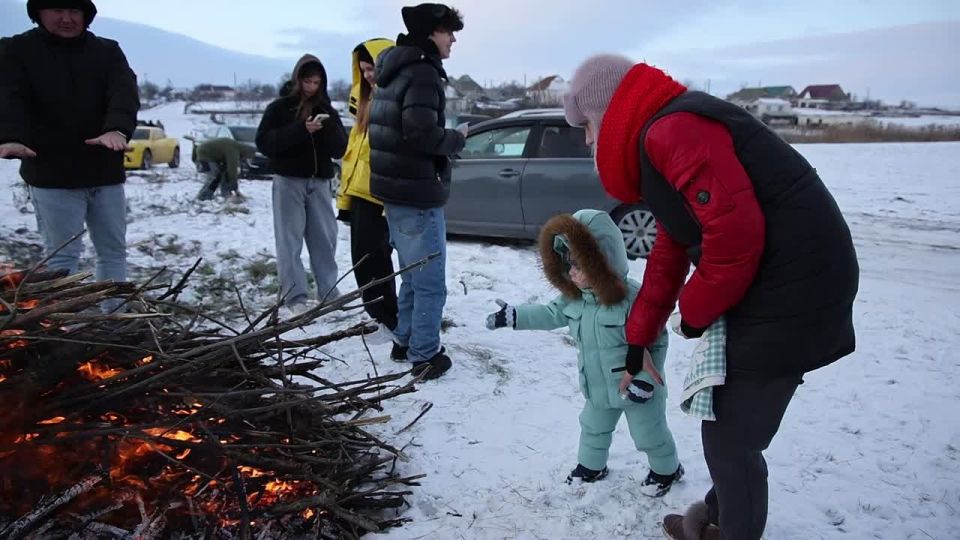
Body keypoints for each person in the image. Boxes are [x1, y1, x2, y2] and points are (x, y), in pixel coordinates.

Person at [562, 55, 860, 540]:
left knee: (729, 438)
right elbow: (673, 244)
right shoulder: (661, 135)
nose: (589, 141)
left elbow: (735, 238)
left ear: (608, 112)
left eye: (588, 126)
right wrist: (638, 338)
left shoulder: (672, 131)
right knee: (734, 426)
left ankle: (728, 530)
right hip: (783, 284)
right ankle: (718, 519)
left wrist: (693, 316)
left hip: (796, 288)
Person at [485, 209, 684, 496]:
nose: (572, 272)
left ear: (603, 262)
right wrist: (515, 316)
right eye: (568, 263)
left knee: (649, 435)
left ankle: (667, 469)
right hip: (598, 387)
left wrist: (646, 381)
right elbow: (548, 313)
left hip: (636, 388)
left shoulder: (632, 299)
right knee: (592, 428)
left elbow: (657, 342)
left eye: (580, 265)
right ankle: (591, 467)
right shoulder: (574, 298)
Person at [0, 0, 139, 299]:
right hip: (51, 173)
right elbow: (7, 94)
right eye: (57, 10)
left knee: (114, 252)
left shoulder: (106, 51)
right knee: (62, 258)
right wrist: (9, 136)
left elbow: (124, 91)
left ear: (86, 15)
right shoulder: (17, 50)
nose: (66, 18)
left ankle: (116, 322)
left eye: (74, 11)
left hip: (104, 171)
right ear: (39, 13)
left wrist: (116, 128)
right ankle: (68, 329)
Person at [368, 3, 466, 380]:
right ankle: (425, 356)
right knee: (429, 281)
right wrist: (456, 138)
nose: (453, 39)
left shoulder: (393, 70)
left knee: (410, 273)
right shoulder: (422, 73)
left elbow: (392, 131)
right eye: (448, 32)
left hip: (396, 192)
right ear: (431, 33)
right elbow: (420, 133)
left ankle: (404, 340)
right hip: (416, 192)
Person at [255, 54, 347, 313]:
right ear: (297, 80)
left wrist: (325, 127)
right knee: (289, 241)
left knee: (325, 241)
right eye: (307, 81)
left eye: (317, 82)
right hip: (289, 182)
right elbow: (264, 143)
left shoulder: (328, 109)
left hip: (319, 183)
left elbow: (340, 148)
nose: (311, 87)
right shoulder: (279, 108)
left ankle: (329, 292)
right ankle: (294, 297)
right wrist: (300, 130)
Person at [335, 38, 398, 343]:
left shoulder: (396, 97)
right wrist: (344, 198)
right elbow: (353, 154)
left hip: (381, 196)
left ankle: (391, 320)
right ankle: (381, 317)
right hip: (360, 194)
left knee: (378, 261)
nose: (369, 74)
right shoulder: (363, 100)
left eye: (372, 67)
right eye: (363, 70)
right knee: (363, 262)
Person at [195, 137, 255, 202]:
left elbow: (227, 170)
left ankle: (224, 194)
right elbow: (232, 169)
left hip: (207, 153)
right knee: (214, 176)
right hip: (205, 154)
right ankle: (202, 196)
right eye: (247, 157)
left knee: (221, 174)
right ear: (245, 152)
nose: (245, 159)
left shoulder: (234, 147)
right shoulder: (233, 150)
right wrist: (234, 186)